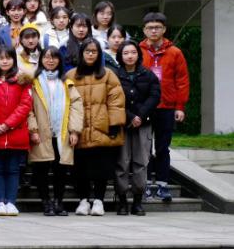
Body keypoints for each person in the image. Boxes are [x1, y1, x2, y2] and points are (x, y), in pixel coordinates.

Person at [70, 38, 126, 217]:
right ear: (81, 54)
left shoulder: (108, 74)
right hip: (79, 129)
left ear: (99, 54)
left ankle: (99, 201)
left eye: (94, 51)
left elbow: (116, 101)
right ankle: (83, 201)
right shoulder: (71, 75)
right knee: (80, 168)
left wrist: (115, 124)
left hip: (102, 129)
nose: (90, 54)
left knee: (101, 168)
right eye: (87, 51)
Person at [28, 45, 84, 216]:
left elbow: (76, 107)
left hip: (62, 133)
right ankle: (46, 202)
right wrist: (33, 129)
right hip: (41, 132)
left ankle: (59, 202)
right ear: (41, 60)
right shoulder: (34, 82)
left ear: (60, 60)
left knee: (61, 169)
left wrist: (74, 131)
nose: (50, 60)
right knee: (41, 169)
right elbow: (28, 109)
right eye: (46, 57)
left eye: (54, 57)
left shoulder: (66, 83)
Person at [138, 12, 188, 203]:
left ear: (164, 29)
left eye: (157, 27)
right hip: (145, 106)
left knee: (162, 147)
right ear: (144, 30)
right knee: (144, 147)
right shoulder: (138, 51)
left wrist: (180, 106)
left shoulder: (175, 52)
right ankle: (145, 184)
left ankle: (162, 185)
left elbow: (182, 80)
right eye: (150, 28)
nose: (154, 31)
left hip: (167, 106)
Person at [0, 49, 34, 217]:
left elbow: (25, 105)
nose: (5, 61)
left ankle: (11, 202)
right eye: (1, 58)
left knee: (13, 169)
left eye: (8, 58)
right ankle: (0, 202)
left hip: (15, 133)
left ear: (14, 60)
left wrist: (8, 124)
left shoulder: (22, 81)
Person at [114, 42, 159, 216]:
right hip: (122, 124)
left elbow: (154, 96)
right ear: (120, 56)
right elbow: (112, 99)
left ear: (138, 55)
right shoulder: (115, 75)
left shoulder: (148, 74)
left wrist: (140, 115)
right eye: (126, 53)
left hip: (144, 124)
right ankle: (122, 200)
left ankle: (138, 201)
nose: (130, 56)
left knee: (141, 162)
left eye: (133, 52)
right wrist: (130, 117)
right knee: (122, 162)